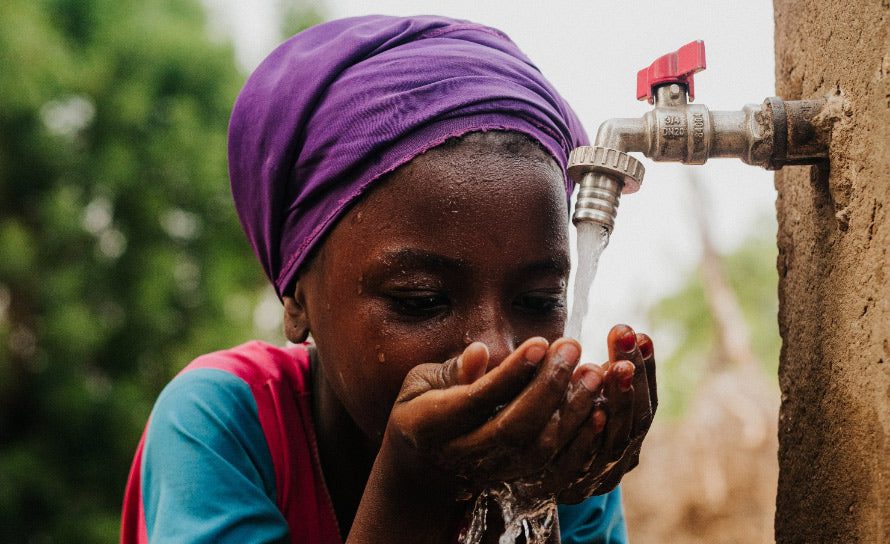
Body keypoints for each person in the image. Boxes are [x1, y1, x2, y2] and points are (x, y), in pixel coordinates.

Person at [121, 15, 656, 544]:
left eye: (539, 300)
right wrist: (412, 489)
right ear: (296, 298)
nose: (496, 349)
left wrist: (526, 488)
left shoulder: (561, 454)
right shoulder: (222, 426)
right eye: (420, 300)